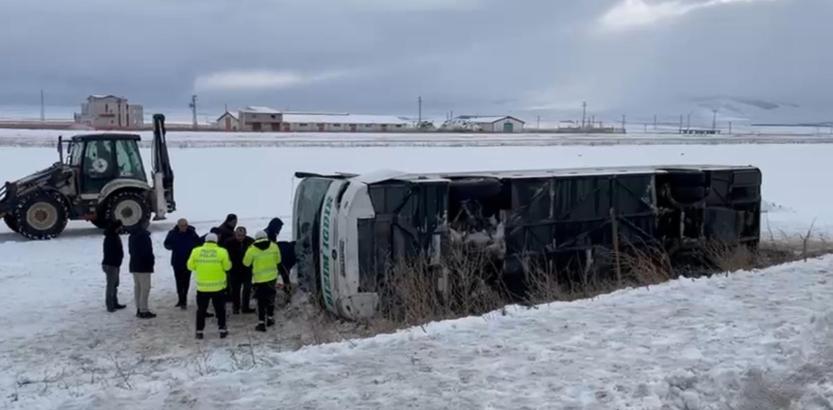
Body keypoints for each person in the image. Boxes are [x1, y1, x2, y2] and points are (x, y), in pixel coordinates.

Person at [187, 233, 232, 339]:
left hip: (202, 287)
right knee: (220, 309)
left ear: (205, 240)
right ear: (216, 241)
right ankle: (222, 329)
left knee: (201, 310)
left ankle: (199, 331)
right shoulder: (222, 251)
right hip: (218, 287)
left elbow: (190, 266)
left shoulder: (196, 251)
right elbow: (227, 267)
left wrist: (200, 267)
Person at [243, 230, 281, 332]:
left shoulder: (252, 249)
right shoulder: (274, 246)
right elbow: (278, 260)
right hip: (272, 278)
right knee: (270, 298)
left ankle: (261, 323)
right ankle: (270, 318)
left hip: (258, 280)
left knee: (261, 301)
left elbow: (246, 263)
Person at [163, 218, 200, 309]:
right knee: (179, 281)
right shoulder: (172, 233)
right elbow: (166, 244)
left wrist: (192, 247)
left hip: (188, 261)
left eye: (185, 225)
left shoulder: (191, 232)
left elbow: (198, 243)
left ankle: (184, 299)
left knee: (186, 281)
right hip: (177, 261)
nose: (184, 227)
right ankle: (180, 299)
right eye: (182, 226)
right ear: (178, 226)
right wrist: (173, 246)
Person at [223, 226, 255, 314]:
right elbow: (224, 256)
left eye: (242, 235)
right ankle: (236, 307)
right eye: (238, 235)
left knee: (247, 289)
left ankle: (245, 307)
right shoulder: (228, 242)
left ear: (245, 234)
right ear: (235, 234)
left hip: (247, 269)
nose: (240, 237)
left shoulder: (250, 241)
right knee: (235, 290)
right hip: (234, 270)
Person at [128, 220, 156, 319]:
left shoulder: (132, 236)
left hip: (134, 264)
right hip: (144, 266)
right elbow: (147, 252)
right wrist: (151, 262)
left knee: (138, 287)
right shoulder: (144, 236)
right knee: (145, 288)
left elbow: (131, 251)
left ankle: (139, 308)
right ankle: (143, 310)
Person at [264, 217, 295, 296]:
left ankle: (286, 290)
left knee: (284, 272)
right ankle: (287, 291)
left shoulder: (270, 233)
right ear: (275, 226)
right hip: (268, 260)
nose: (280, 230)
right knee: (284, 273)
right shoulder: (268, 234)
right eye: (279, 228)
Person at [102, 220, 127, 312]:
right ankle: (110, 305)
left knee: (114, 285)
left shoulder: (113, 236)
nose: (122, 228)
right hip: (111, 265)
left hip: (114, 264)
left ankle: (114, 303)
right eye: (120, 227)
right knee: (111, 286)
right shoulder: (111, 237)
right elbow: (112, 252)